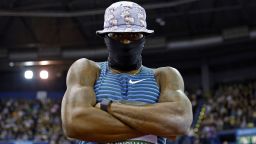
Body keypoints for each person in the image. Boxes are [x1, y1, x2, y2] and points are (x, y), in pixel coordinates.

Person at [61, 1, 193, 144]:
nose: (125, 42)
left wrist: (109, 106)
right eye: (117, 36)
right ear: (106, 38)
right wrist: (156, 125)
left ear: (144, 37)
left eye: (133, 36)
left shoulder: (164, 75)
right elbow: (74, 123)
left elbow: (180, 120)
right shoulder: (87, 69)